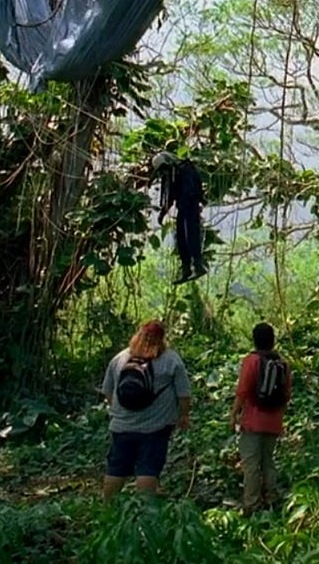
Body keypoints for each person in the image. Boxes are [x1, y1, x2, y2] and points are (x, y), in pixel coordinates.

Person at [99, 319, 193, 500]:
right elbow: (184, 394)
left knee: (116, 469)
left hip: (121, 427)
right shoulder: (171, 360)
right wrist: (184, 416)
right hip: (155, 428)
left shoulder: (120, 359)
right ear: (162, 339)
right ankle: (144, 511)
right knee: (148, 469)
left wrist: (120, 412)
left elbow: (108, 392)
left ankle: (107, 509)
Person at [230, 322, 292, 515]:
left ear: (254, 340)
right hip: (274, 421)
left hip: (252, 420)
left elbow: (243, 391)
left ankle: (252, 503)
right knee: (268, 461)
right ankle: (271, 498)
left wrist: (234, 414)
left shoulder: (251, 361)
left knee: (250, 464)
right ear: (273, 340)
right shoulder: (283, 363)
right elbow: (287, 394)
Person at [154, 149, 207, 283]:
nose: (164, 172)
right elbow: (170, 196)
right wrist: (163, 213)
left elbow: (192, 189)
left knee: (191, 234)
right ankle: (186, 269)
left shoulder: (184, 169)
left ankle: (198, 266)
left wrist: (191, 201)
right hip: (183, 208)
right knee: (181, 237)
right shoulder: (172, 174)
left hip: (190, 205)